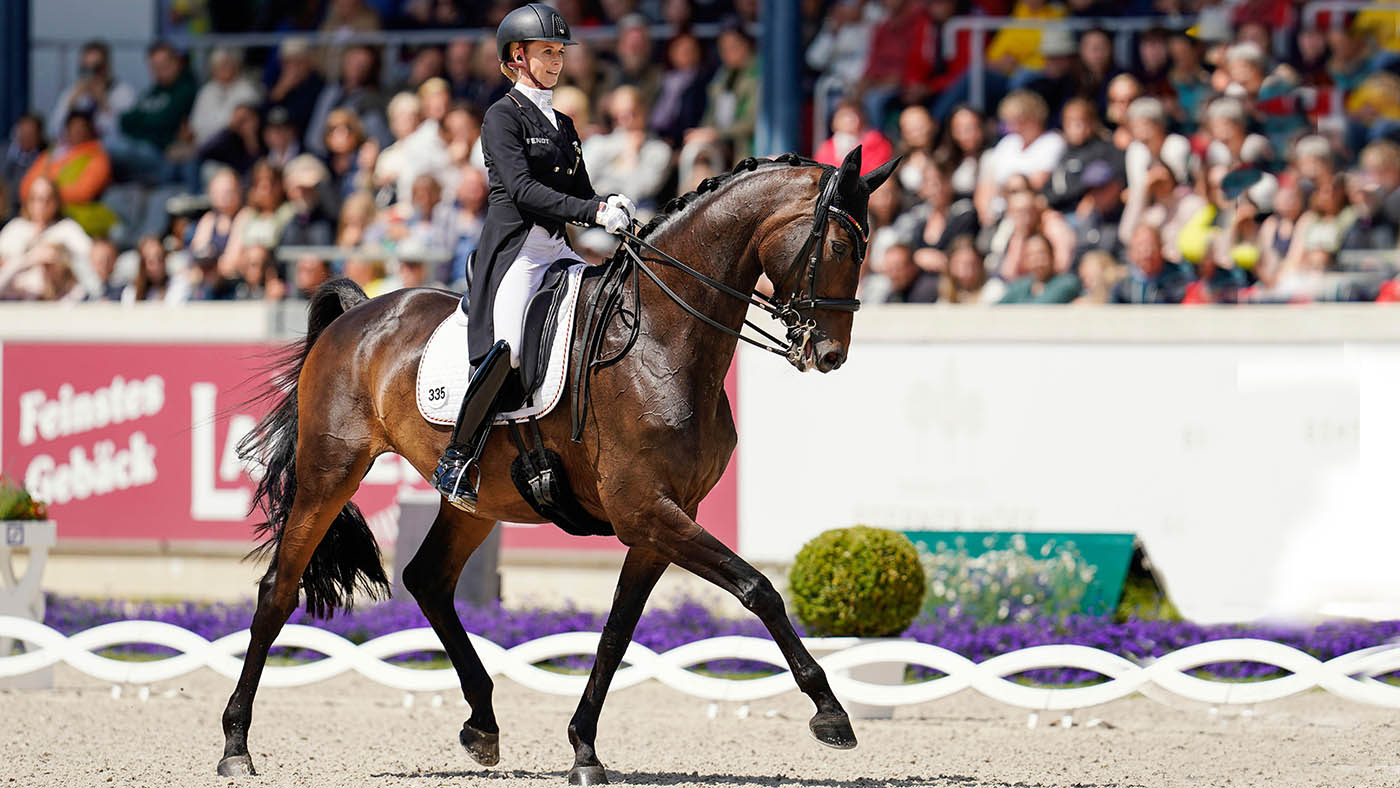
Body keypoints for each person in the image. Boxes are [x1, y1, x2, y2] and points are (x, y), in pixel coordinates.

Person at [431, 3, 636, 511]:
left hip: (558, 248)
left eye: (560, 51)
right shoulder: (501, 116)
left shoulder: (564, 123)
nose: (557, 60)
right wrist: (593, 210)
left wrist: (611, 205)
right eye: (547, 51)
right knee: (511, 349)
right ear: (517, 56)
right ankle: (457, 458)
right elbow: (521, 190)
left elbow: (581, 190)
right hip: (517, 251)